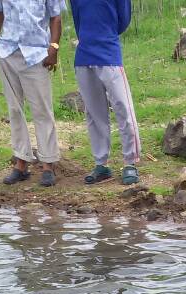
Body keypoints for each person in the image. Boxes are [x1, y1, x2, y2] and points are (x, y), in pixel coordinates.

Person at [0, 0, 64, 188]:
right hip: (8, 51)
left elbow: (56, 17)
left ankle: (48, 164)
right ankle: (21, 163)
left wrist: (53, 48)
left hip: (37, 53)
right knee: (14, 109)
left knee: (42, 110)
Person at [70, 0, 140, 186]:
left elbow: (123, 21)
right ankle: (101, 164)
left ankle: (130, 162)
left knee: (123, 107)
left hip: (109, 54)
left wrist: (104, 35)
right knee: (94, 113)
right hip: (84, 56)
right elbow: (77, 20)